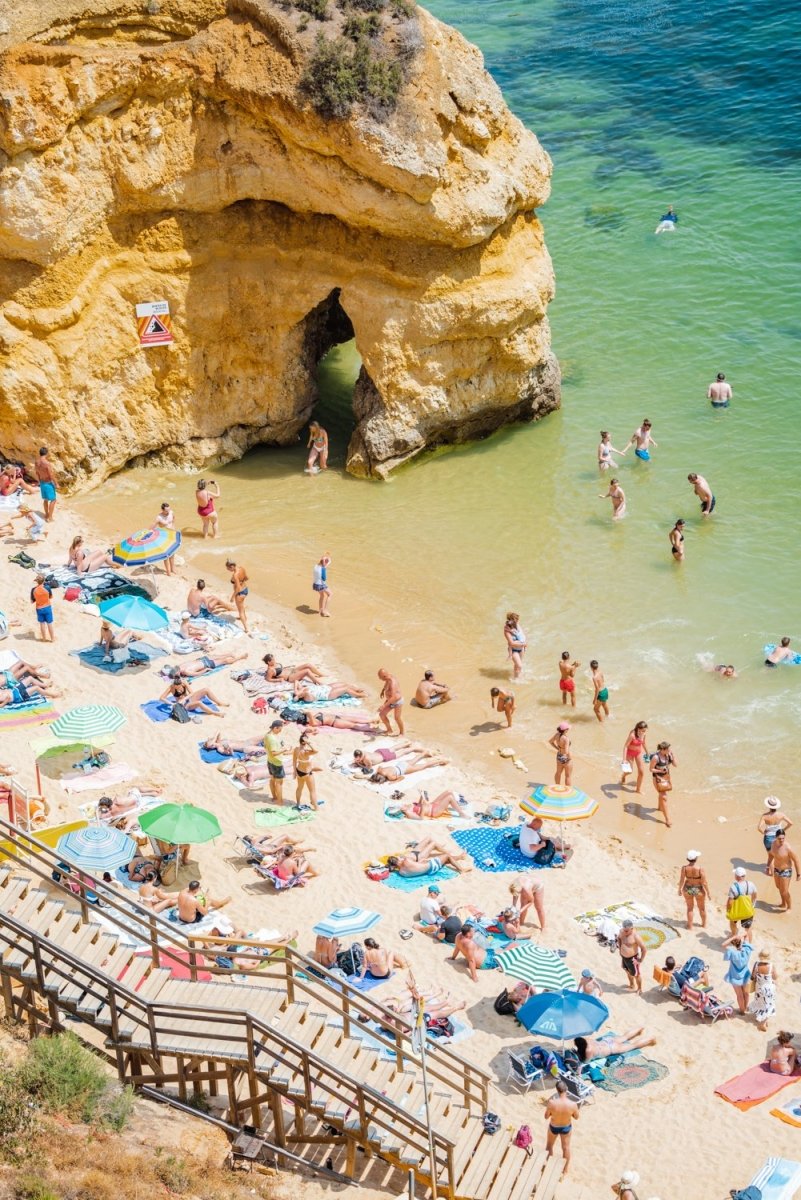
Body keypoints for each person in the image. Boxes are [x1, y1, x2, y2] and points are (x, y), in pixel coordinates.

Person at [544, 1078, 579, 1177]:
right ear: (566, 1089)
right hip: (566, 1127)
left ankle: (549, 1166)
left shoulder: (551, 1103)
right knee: (566, 1148)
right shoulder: (573, 1104)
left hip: (554, 1126)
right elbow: (576, 1117)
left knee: (549, 1146)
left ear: (557, 1090)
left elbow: (546, 1116)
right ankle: (565, 1170)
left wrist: (553, 1112)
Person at [387, 838, 471, 878]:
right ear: (397, 859)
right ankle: (461, 869)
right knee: (447, 856)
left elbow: (416, 869)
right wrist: (424, 861)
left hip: (428, 871)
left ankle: (459, 857)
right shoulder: (407, 860)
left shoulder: (401, 872)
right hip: (432, 866)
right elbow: (421, 862)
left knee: (444, 860)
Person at [574, 1028, 656, 1062]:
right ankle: (640, 1028)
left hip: (612, 1049)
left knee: (633, 1046)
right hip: (607, 1040)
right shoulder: (587, 1040)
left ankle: (650, 1039)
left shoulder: (588, 1051)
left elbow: (585, 1061)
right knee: (625, 1037)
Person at [160, 676, 228, 716]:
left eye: (179, 686)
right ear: (174, 685)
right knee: (199, 703)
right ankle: (214, 713)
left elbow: (191, 693)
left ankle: (219, 702)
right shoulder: (171, 688)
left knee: (206, 689)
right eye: (176, 687)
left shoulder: (184, 682)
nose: (179, 688)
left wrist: (184, 699)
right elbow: (161, 698)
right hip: (184, 706)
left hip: (189, 699)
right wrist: (172, 703)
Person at [766, 829, 800, 911]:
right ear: (776, 837)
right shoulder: (773, 844)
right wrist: (768, 866)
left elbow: (796, 860)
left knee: (784, 891)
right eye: (779, 838)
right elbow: (771, 855)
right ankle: (783, 903)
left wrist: (799, 874)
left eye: (783, 838)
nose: (781, 840)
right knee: (778, 887)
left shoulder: (787, 848)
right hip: (776, 869)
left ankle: (789, 907)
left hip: (786, 871)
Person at [678, 849, 710, 930]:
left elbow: (681, 880)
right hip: (698, 889)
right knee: (702, 908)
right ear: (696, 859)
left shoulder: (684, 868)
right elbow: (704, 882)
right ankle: (704, 925)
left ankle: (690, 926)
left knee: (689, 908)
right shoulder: (700, 868)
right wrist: (708, 893)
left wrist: (679, 889)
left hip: (688, 888)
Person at [722, 933, 753, 1013]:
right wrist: (740, 936)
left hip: (734, 976)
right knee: (746, 993)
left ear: (733, 943)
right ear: (741, 942)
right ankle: (745, 1008)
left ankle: (742, 1011)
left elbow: (723, 944)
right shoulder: (746, 949)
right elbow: (746, 934)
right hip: (745, 975)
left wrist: (733, 937)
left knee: (739, 995)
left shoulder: (732, 952)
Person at [370, 752, 448, 783]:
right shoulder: (381, 770)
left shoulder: (390, 777)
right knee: (415, 759)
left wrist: (394, 781)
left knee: (424, 766)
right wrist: (377, 773)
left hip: (405, 769)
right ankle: (425, 753)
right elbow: (379, 767)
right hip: (400, 764)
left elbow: (402, 777)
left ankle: (441, 761)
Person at [264, 719, 292, 805]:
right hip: (276, 763)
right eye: (280, 729)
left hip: (270, 761)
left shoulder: (267, 735)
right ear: (275, 728)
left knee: (272, 780)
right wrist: (283, 750)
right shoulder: (272, 739)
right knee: (279, 783)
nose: (280, 731)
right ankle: (279, 801)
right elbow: (274, 753)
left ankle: (274, 797)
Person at [749, 948, 778, 1032]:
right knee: (769, 1005)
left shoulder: (756, 964)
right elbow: (775, 977)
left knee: (760, 1002)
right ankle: (762, 1023)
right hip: (768, 988)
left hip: (759, 987)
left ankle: (762, 1019)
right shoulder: (771, 966)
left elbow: (753, 976)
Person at [649, 741, 676, 827]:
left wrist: (673, 756)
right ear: (662, 750)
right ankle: (667, 819)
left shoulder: (668, 755)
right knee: (663, 796)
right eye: (668, 749)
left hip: (666, 778)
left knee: (661, 795)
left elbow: (675, 765)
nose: (669, 750)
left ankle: (660, 808)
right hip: (657, 779)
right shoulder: (656, 758)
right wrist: (660, 771)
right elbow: (651, 769)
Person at [392, 790, 465, 820]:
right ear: (402, 810)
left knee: (449, 792)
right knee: (449, 798)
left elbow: (419, 805)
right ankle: (461, 814)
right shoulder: (408, 813)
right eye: (400, 807)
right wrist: (423, 806)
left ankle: (457, 806)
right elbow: (420, 818)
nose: (401, 805)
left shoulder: (407, 806)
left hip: (432, 805)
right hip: (434, 811)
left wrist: (421, 797)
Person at [292, 732, 320, 810]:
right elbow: (316, 751)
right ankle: (316, 807)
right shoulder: (306, 752)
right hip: (307, 773)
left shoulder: (296, 749)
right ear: (305, 742)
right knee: (312, 791)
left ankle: (298, 803)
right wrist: (309, 743)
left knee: (299, 788)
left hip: (299, 771)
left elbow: (294, 761)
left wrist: (294, 772)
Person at [617, 919, 646, 994]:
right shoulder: (621, 931)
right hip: (624, 957)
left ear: (632, 928)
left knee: (636, 975)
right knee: (627, 971)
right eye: (624, 930)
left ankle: (639, 989)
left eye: (627, 931)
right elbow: (619, 938)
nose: (625, 932)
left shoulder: (636, 936)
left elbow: (644, 948)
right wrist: (620, 949)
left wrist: (640, 960)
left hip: (632, 959)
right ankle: (632, 984)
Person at [726, 867, 757, 934]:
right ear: (744, 875)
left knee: (732, 923)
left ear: (736, 876)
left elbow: (730, 902)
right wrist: (752, 905)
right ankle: (748, 943)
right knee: (747, 929)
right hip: (747, 910)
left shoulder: (733, 887)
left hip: (737, 911)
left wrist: (728, 910)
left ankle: (734, 934)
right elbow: (754, 896)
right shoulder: (751, 884)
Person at [621, 721, 649, 793]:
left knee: (641, 772)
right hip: (630, 753)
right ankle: (623, 776)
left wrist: (647, 752)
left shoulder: (644, 734)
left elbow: (643, 743)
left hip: (638, 753)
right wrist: (624, 760)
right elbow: (625, 746)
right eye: (640, 730)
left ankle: (638, 790)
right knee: (629, 771)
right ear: (637, 728)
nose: (642, 732)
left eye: (644, 731)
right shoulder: (632, 735)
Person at [378, 667, 404, 735]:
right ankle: (389, 730)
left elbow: (394, 697)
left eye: (380, 677)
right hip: (390, 701)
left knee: (397, 718)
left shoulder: (393, 683)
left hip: (397, 702)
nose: (379, 679)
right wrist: (383, 691)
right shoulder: (388, 678)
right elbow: (386, 684)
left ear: (384, 676)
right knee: (382, 715)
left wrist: (384, 705)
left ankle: (402, 733)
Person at [293, 679, 365, 704]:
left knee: (344, 684)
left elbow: (296, 682)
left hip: (326, 687)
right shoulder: (307, 697)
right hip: (328, 694)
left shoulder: (302, 689)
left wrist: (296, 690)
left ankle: (358, 690)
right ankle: (360, 695)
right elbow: (298, 697)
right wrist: (297, 695)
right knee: (345, 689)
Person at [226, 558, 249, 634]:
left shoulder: (235, 575)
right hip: (245, 590)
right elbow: (246, 577)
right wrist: (241, 581)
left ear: (232, 566)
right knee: (241, 607)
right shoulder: (242, 568)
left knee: (240, 611)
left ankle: (246, 628)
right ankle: (243, 617)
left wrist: (232, 597)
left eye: (228, 568)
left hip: (239, 593)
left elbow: (238, 588)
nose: (227, 570)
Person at [34, 447, 58, 521]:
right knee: (53, 500)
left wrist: (39, 481)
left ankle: (46, 514)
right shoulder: (47, 463)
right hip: (48, 483)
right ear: (46, 453)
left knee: (45, 499)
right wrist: (56, 483)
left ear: (40, 453)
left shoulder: (36, 462)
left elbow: (37, 473)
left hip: (42, 482)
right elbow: (51, 474)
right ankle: (50, 517)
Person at [153, 502, 176, 574]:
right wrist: (147, 532)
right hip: (164, 537)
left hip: (172, 535)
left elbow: (174, 518)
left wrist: (174, 527)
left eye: (169, 510)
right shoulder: (159, 517)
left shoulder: (171, 512)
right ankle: (168, 571)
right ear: (162, 510)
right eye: (166, 510)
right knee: (166, 555)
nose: (168, 512)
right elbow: (154, 525)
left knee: (172, 553)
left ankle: (173, 569)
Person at [30, 574, 55, 643]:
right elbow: (51, 597)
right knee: (49, 623)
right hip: (47, 607)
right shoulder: (47, 588)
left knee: (42, 624)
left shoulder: (33, 590)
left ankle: (44, 639)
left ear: (37, 581)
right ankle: (52, 639)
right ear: (44, 581)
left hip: (39, 609)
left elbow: (32, 601)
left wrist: (37, 599)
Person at [504, 613, 527, 678]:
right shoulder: (507, 629)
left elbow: (523, 635)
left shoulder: (517, 625)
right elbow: (511, 643)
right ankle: (516, 679)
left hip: (521, 649)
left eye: (517, 619)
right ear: (510, 619)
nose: (517, 621)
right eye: (515, 619)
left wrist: (524, 643)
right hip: (514, 650)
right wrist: (523, 644)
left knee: (517, 666)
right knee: (519, 665)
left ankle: (516, 678)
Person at [549, 722, 572, 786]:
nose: (568, 730)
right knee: (568, 776)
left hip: (559, 755)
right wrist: (569, 758)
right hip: (565, 757)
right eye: (567, 729)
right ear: (565, 730)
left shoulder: (557, 735)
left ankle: (557, 786)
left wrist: (557, 748)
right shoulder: (566, 739)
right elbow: (567, 751)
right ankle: (568, 790)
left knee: (558, 773)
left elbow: (550, 742)